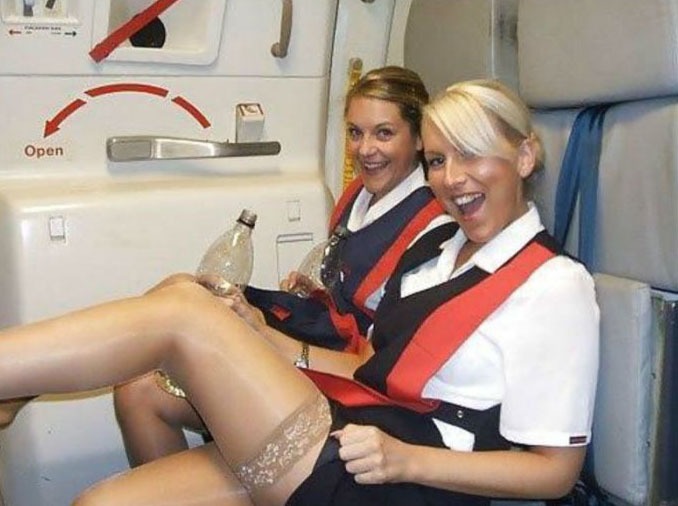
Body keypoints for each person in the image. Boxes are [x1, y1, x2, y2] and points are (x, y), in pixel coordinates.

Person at [0, 79, 599, 506]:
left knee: (186, 314)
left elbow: (554, 474)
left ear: (525, 156)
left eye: (472, 154)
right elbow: (368, 368)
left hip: (413, 475)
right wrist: (267, 341)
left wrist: (406, 460)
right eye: (439, 160)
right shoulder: (434, 254)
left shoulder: (554, 284)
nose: (452, 178)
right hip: (357, 423)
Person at [112, 65, 450, 467]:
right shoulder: (360, 195)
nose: (364, 149)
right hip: (323, 331)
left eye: (384, 133)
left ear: (419, 137)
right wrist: (320, 290)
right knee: (187, 287)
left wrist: (268, 337)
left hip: (348, 381)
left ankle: (61, 363)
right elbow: (354, 286)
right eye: (355, 133)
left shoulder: (430, 231)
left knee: (141, 390)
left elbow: (372, 366)